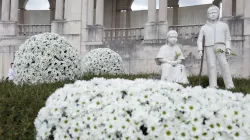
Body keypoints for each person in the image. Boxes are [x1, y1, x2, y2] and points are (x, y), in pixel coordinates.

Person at [197, 5, 234, 89]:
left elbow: (228, 38)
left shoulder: (224, 25)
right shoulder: (204, 28)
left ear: (218, 14)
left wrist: (228, 48)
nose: (213, 14)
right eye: (211, 13)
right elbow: (199, 40)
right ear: (207, 15)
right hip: (209, 47)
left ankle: (230, 85)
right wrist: (200, 49)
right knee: (211, 65)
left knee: (224, 64)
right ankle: (213, 85)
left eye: (215, 12)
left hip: (220, 46)